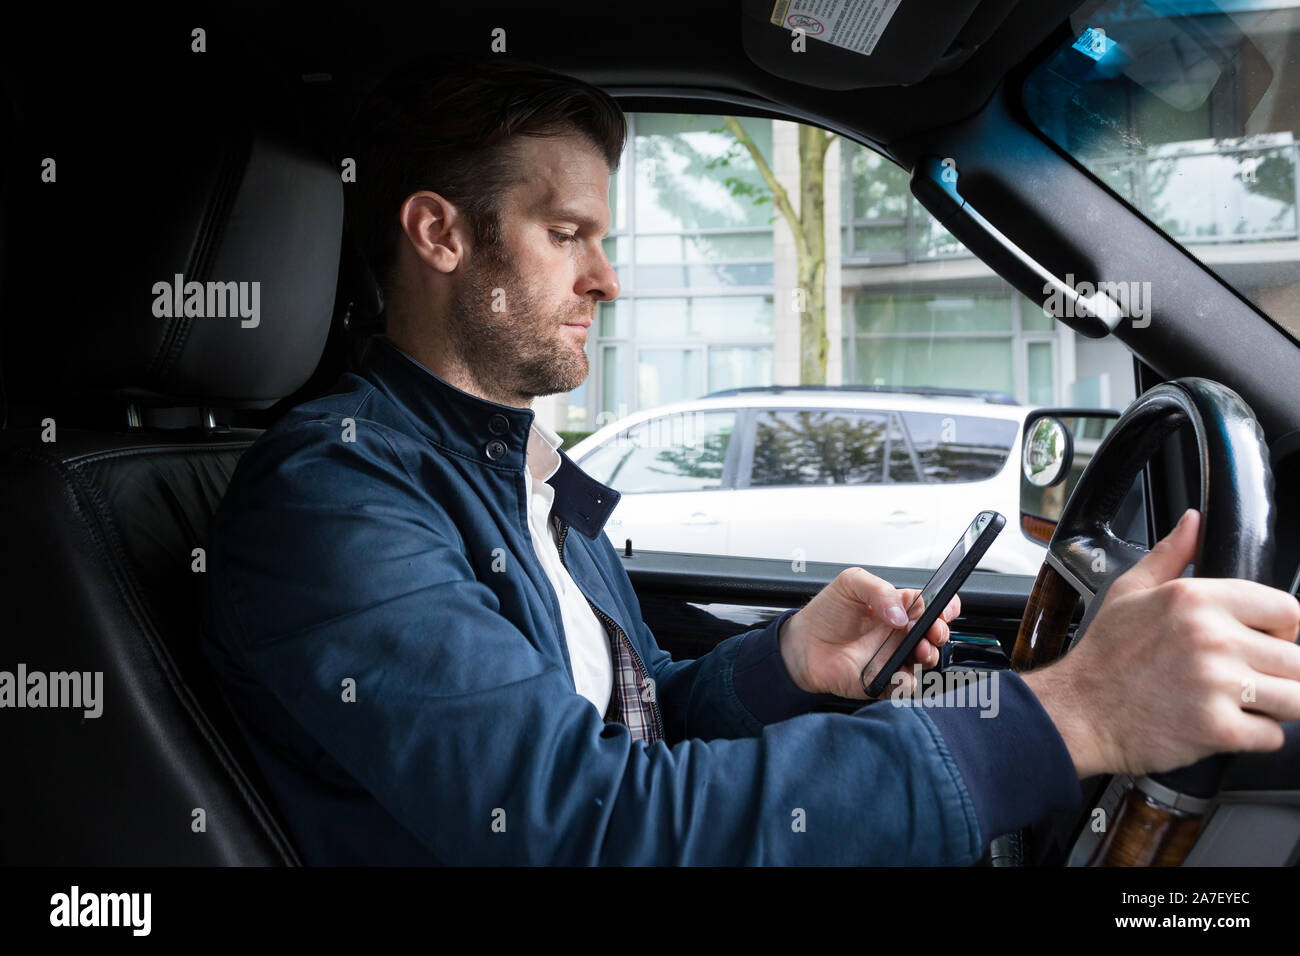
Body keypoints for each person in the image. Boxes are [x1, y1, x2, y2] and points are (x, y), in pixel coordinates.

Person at [198, 55, 1300, 865]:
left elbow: (618, 729)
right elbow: (587, 823)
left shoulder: (507, 469)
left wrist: (782, 661)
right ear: (440, 236)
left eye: (607, 240)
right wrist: (1075, 713)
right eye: (567, 234)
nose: (608, 281)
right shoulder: (336, 497)